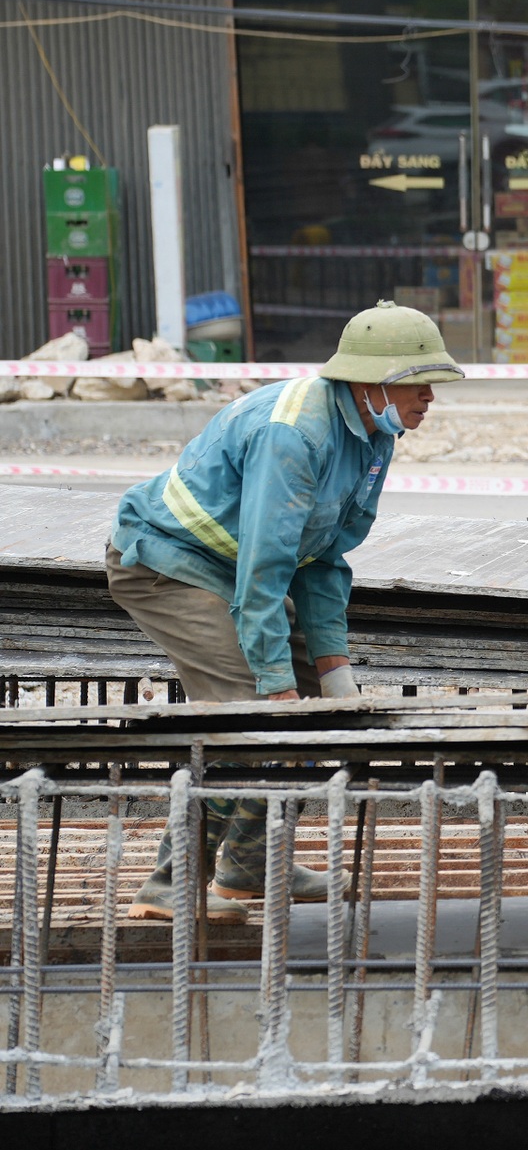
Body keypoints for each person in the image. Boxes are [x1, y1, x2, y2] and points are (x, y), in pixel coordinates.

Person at [109, 301, 464, 921]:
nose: (430, 396)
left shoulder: (375, 434)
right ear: (367, 381)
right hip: (167, 563)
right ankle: (170, 884)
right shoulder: (294, 433)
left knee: (312, 709)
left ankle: (250, 864)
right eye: (417, 381)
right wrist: (274, 686)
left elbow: (324, 557)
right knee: (248, 709)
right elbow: (266, 568)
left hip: (240, 571)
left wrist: (331, 669)